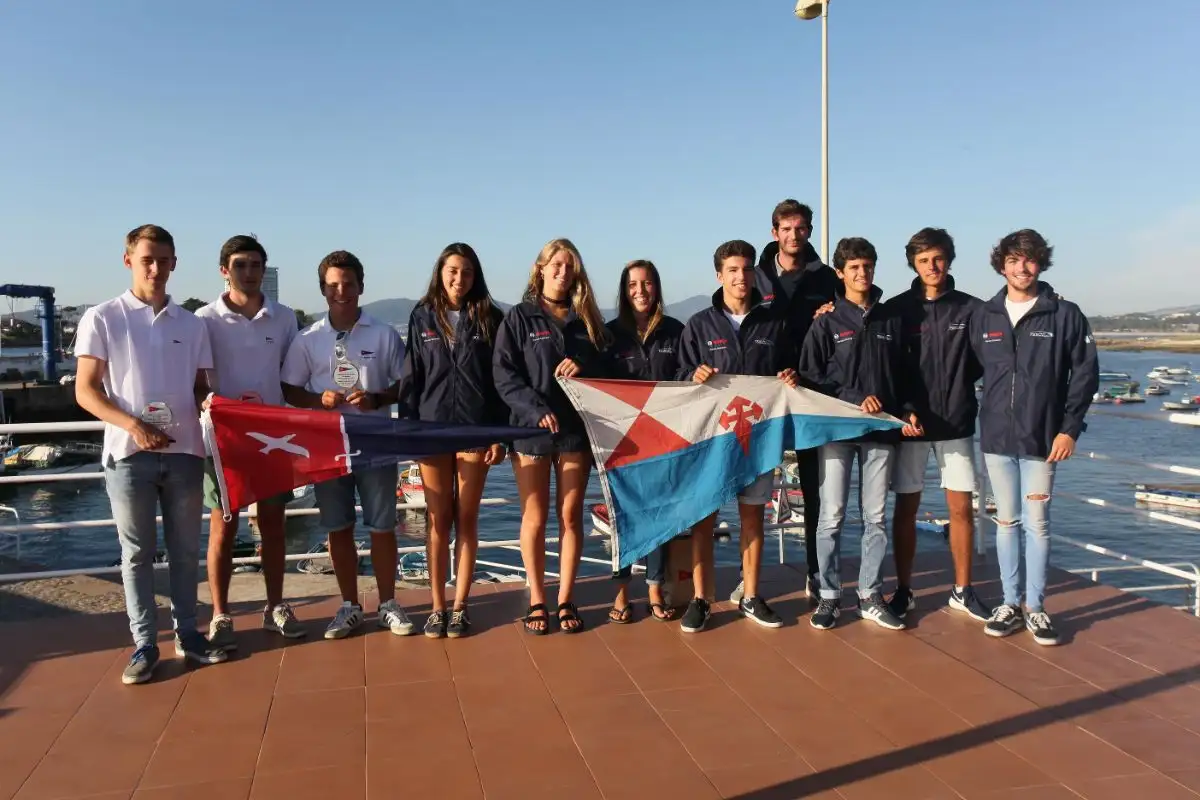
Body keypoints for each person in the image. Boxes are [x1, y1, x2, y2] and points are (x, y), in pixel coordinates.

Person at [74, 224, 228, 685]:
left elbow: (202, 388)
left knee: (184, 552)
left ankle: (190, 636)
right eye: (147, 260)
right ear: (129, 262)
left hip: (185, 453)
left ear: (175, 263)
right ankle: (144, 644)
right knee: (137, 554)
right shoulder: (101, 318)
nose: (156, 268)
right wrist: (134, 426)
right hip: (128, 455)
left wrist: (218, 404)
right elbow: (86, 391)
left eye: (164, 260)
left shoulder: (192, 323)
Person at [971, 229, 1098, 645]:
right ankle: (1009, 603)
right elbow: (968, 369)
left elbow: (1084, 374)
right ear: (1001, 264)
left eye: (1029, 260)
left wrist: (1070, 428)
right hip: (996, 438)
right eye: (1013, 260)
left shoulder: (1064, 314)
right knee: (1006, 522)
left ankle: (1036, 608)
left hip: (1043, 439)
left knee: (1037, 525)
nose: (1021, 268)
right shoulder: (985, 315)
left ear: (1040, 263)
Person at [281, 250, 410, 639]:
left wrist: (378, 399)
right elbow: (290, 388)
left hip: (374, 442)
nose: (342, 291)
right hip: (327, 444)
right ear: (323, 289)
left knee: (383, 526)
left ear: (361, 287)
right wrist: (314, 400)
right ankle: (350, 606)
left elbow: (405, 383)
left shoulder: (385, 334)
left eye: (349, 284)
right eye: (333, 285)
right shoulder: (307, 339)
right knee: (338, 527)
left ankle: (388, 603)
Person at [676, 240, 799, 634]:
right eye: (732, 270)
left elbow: (789, 372)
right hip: (712, 441)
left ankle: (750, 594)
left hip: (756, 439)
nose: (740, 277)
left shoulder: (772, 323)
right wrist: (690, 375)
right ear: (719, 276)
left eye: (746, 269)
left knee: (753, 519)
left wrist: (790, 376)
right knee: (704, 521)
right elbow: (678, 377)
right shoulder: (699, 324)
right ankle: (700, 599)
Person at [493, 238, 609, 635]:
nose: (562, 271)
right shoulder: (519, 319)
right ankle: (538, 598)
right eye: (556, 264)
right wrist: (534, 410)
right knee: (536, 517)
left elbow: (604, 365)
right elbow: (505, 375)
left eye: (569, 266)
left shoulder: (587, 319)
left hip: (575, 432)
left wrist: (585, 362)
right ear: (540, 269)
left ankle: (565, 598)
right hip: (531, 433)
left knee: (570, 516)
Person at [195, 235, 306, 650]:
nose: (249, 271)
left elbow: (292, 377)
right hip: (223, 442)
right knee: (223, 529)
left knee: (274, 528)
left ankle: (276, 605)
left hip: (274, 439)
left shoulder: (284, 317)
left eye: (256, 264)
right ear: (224, 269)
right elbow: (196, 380)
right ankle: (221, 614)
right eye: (240, 264)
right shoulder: (203, 319)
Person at [799, 236, 914, 631]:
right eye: (854, 268)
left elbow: (905, 375)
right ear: (840, 273)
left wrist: (907, 409)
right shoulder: (826, 322)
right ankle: (829, 596)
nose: (862, 274)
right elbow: (811, 379)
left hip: (881, 431)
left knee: (875, 517)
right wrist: (853, 397)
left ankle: (869, 594)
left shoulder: (890, 320)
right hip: (837, 431)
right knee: (830, 517)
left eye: (867, 266)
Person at [397, 243, 506, 639]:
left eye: (467, 272)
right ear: (441, 271)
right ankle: (437, 607)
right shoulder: (422, 315)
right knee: (437, 520)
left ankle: (460, 606)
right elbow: (412, 377)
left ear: (476, 276)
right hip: (432, 428)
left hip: (475, 430)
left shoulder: (491, 317)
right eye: (453, 271)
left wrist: (499, 434)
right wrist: (409, 429)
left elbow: (499, 381)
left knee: (467, 519)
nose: (460, 279)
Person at [883, 228, 992, 623]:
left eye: (939, 257)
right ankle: (904, 589)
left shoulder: (973, 310)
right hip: (910, 425)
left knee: (961, 509)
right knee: (905, 508)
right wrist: (904, 410)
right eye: (924, 259)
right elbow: (887, 369)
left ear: (950, 259)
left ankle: (963, 591)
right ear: (913, 262)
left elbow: (988, 362)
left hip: (957, 423)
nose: (932, 265)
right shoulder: (896, 310)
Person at [741, 199, 840, 603]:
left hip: (811, 392)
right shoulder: (755, 276)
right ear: (773, 232)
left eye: (800, 228)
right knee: (752, 491)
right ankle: (749, 582)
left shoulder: (827, 278)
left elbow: (846, 321)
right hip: (762, 398)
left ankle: (816, 573)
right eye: (786, 228)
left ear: (809, 231)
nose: (793, 235)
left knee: (816, 490)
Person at [603, 260, 686, 623]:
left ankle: (654, 588)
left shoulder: (675, 331)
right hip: (621, 445)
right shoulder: (606, 335)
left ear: (657, 288)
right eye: (633, 284)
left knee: (659, 518)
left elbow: (686, 376)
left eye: (647, 283)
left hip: (664, 443)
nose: (640, 290)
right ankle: (621, 593)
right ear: (624, 290)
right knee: (623, 520)